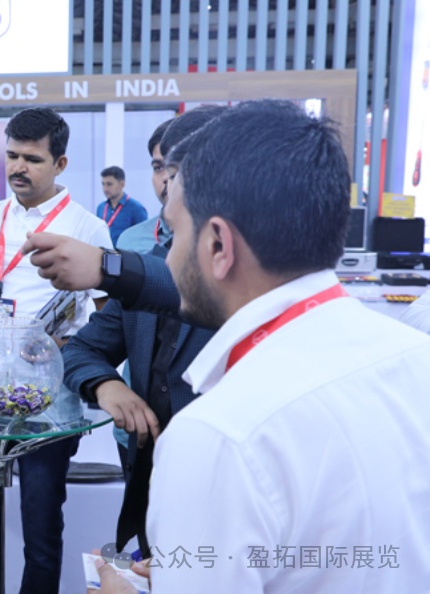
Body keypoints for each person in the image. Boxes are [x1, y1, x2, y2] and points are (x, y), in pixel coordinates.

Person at [96, 99, 430, 593]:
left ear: (218, 245)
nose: (167, 259)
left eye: (177, 232)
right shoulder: (414, 357)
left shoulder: (219, 434)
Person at [0, 107, 113, 594]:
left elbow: (108, 319)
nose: (18, 167)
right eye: (12, 156)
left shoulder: (88, 228)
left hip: (50, 398)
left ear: (60, 164)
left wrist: (62, 347)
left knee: (40, 523)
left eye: (32, 159)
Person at [62, 106, 226, 559]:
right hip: (148, 463)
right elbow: (81, 350)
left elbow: (196, 294)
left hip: (215, 482)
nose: (167, 185)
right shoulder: (150, 255)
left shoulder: (242, 281)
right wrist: (107, 384)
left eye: (178, 173)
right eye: (160, 170)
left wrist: (108, 269)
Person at [97, 165, 147, 246]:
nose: (105, 189)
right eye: (103, 184)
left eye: (109, 184)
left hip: (125, 253)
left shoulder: (136, 209)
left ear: (122, 184)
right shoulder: (101, 208)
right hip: (103, 252)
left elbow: (143, 239)